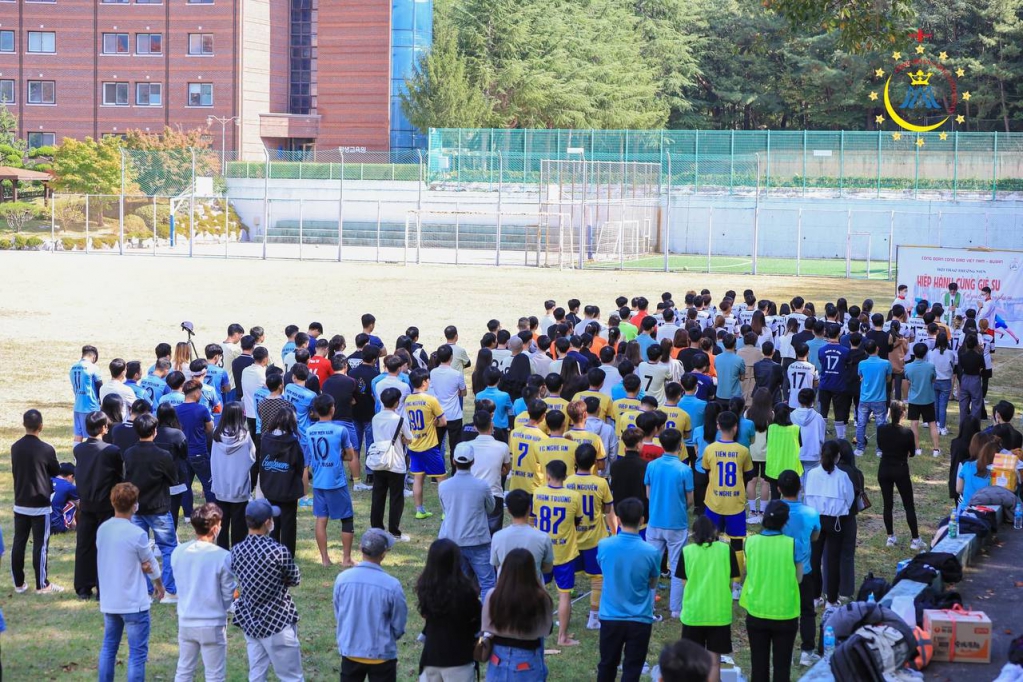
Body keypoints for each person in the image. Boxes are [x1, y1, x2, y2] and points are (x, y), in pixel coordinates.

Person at [97, 483, 165, 682]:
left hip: (111, 599)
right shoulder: (137, 534)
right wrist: (159, 584)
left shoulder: (103, 529)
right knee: (137, 655)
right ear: (135, 505)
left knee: (109, 648)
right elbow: (150, 563)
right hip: (134, 603)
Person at [231, 499, 304, 682]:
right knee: (291, 676)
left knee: (256, 674)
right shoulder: (278, 551)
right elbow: (295, 579)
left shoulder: (236, 550)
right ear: (267, 522)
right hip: (276, 620)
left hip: (249, 619)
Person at [595, 497, 660, 682]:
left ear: (619, 520)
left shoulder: (604, 545)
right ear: (642, 520)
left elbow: (604, 569)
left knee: (607, 665)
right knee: (633, 668)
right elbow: (653, 583)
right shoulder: (651, 551)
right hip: (640, 618)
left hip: (610, 616)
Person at [171, 503, 237, 682]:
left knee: (184, 670)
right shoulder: (222, 556)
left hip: (186, 619)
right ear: (215, 528)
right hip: (212, 622)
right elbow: (227, 595)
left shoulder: (178, 552)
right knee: (215, 674)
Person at [333, 528, 408, 682]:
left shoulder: (342, 579)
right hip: (381, 654)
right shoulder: (392, 585)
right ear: (384, 554)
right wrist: (392, 636)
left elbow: (339, 612)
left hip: (351, 651)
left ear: (360, 548)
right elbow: (399, 621)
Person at [739, 501, 801, 682]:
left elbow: (748, 570)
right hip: (785, 613)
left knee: (758, 667)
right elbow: (799, 578)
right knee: (782, 668)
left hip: (757, 610)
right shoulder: (792, 544)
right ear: (786, 521)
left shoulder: (750, 542)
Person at [123, 412, 180, 603]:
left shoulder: (129, 453)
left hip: (137, 508)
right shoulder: (163, 455)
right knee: (169, 548)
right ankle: (169, 590)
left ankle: (146, 590)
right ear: (155, 432)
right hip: (159, 507)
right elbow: (173, 479)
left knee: (140, 549)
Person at [701, 411, 753, 599]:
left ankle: (713, 578)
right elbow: (748, 473)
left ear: (717, 426)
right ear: (736, 428)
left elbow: (706, 469)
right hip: (735, 503)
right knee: (737, 543)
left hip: (714, 501)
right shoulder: (743, 451)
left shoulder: (710, 449)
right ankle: (736, 585)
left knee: (710, 541)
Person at [643, 428, 694, 620]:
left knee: (651, 566)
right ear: (680, 445)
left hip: (655, 521)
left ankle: (647, 606)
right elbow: (690, 499)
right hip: (677, 524)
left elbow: (648, 494)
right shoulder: (684, 469)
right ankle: (675, 608)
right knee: (676, 567)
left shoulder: (653, 466)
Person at [9, 409, 61, 594]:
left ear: (24, 425)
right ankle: (42, 584)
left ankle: (19, 583)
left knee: (19, 542)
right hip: (40, 504)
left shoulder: (15, 447)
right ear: (41, 426)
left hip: (21, 501)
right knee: (41, 545)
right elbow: (55, 471)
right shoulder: (46, 449)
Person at [567, 443, 618, 631]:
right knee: (597, 578)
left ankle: (565, 614)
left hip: (572, 539)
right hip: (594, 539)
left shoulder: (567, 481)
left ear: (575, 460)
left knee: (567, 578)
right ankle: (594, 618)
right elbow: (607, 509)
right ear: (595, 462)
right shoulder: (601, 483)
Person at [73, 411, 124, 599]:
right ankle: (104, 588)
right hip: (105, 504)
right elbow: (119, 476)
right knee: (106, 547)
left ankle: (83, 587)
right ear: (104, 428)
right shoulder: (111, 451)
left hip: (86, 503)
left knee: (84, 545)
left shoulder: (79, 449)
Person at [482, 547, 554, 680]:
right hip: (527, 658)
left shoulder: (493, 595)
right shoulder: (541, 598)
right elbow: (546, 630)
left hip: (497, 658)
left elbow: (486, 626)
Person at [415, 539, 481, 682]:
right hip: (459, 658)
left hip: (431, 657)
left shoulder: (425, 588)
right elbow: (476, 622)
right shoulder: (467, 591)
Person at [438, 444, 497, 599]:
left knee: (459, 583)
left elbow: (445, 509)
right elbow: (491, 508)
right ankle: (485, 620)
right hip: (478, 542)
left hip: (453, 540)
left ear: (454, 461)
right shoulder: (482, 486)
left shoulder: (444, 486)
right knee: (488, 584)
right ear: (473, 462)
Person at [678, 515, 739, 659]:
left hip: (693, 613)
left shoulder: (687, 552)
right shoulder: (726, 549)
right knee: (714, 661)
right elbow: (733, 578)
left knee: (692, 661)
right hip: (719, 613)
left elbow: (683, 582)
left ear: (694, 533)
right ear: (715, 531)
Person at [307, 394, 357, 566]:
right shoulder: (340, 430)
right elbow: (350, 456)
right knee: (347, 518)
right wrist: (338, 455)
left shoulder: (309, 430)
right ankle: (346, 559)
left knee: (321, 519)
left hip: (319, 481)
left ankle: (325, 559)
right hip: (336, 481)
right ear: (332, 409)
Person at [805, 440, 855, 610]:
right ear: (837, 457)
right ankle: (831, 600)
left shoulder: (811, 474)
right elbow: (850, 498)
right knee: (833, 561)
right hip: (835, 521)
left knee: (814, 559)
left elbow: (807, 497)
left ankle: (814, 596)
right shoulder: (842, 476)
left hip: (815, 519)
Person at [258, 408, 306, 557]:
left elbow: (261, 463)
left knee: (273, 522)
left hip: (270, 486)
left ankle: (273, 552)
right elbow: (300, 465)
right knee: (288, 524)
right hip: (288, 488)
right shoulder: (293, 442)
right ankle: (287, 554)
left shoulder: (265, 439)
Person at [876, 402, 924, 550]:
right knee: (908, 505)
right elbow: (912, 452)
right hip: (900, 469)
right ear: (903, 414)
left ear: (890, 413)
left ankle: (890, 537)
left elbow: (881, 446)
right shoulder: (907, 433)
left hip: (884, 468)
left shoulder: (881, 429)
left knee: (887, 504)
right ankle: (915, 539)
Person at [210, 402, 257, 549]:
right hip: (240, 487)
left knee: (221, 525)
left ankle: (222, 553)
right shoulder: (245, 436)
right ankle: (238, 554)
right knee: (239, 526)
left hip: (221, 486)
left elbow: (213, 458)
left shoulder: (216, 434)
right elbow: (252, 457)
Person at [370, 387, 413, 542]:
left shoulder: (375, 418)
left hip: (379, 460)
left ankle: (376, 528)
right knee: (396, 498)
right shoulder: (399, 419)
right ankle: (394, 531)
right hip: (396, 462)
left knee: (378, 497)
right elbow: (409, 438)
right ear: (396, 403)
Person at [406, 368, 448, 519]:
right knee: (441, 478)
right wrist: (434, 423)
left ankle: (419, 510)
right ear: (424, 382)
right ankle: (445, 511)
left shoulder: (407, 399)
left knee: (418, 478)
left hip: (414, 445)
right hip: (429, 446)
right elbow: (443, 422)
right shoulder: (431, 400)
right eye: (428, 380)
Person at [461, 411, 512, 534]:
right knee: (493, 535)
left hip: (471, 494)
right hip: (494, 494)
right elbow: (506, 469)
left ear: (475, 427)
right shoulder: (503, 447)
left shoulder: (466, 446)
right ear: (492, 425)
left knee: (471, 532)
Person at [490, 489, 554, 582]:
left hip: (506, 591)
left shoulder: (497, 537)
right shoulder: (543, 537)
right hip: (534, 590)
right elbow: (548, 568)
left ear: (508, 510)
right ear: (529, 509)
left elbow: (497, 565)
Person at [176, 379, 216, 508]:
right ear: (196, 393)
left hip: (183, 453)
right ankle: (211, 511)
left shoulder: (176, 410)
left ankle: (188, 514)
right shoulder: (202, 409)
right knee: (209, 484)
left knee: (186, 485)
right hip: (199, 452)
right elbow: (210, 428)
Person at [155, 403, 190, 528]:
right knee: (173, 512)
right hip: (175, 479)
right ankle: (171, 538)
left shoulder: (153, 432)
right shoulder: (177, 434)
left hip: (156, 479)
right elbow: (185, 454)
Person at [855, 340, 892, 456]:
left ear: (865, 351)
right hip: (879, 398)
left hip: (864, 398)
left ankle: (860, 448)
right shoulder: (886, 363)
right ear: (877, 348)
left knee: (861, 424)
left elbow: (860, 376)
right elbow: (889, 379)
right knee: (881, 425)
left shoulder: (862, 363)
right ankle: (880, 450)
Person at [904, 342, 940, 457]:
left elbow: (908, 379)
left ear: (914, 353)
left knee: (914, 424)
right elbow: (934, 379)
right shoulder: (930, 366)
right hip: (928, 399)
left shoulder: (908, 366)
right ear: (925, 354)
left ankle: (917, 448)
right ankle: (936, 449)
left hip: (914, 399)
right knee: (932, 424)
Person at [71, 345, 103, 443]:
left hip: (77, 405)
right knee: (95, 434)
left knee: (78, 434)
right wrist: (100, 402)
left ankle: (76, 458)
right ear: (93, 356)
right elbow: (99, 386)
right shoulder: (93, 368)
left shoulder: (73, 367)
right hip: (91, 406)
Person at [957, 439, 1000, 510]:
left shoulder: (967, 465)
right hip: (985, 511)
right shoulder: (996, 473)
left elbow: (958, 489)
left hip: (965, 509)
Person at [928, 332, 956, 436]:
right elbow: (953, 365)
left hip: (934, 380)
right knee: (943, 405)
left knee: (935, 404)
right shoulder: (950, 353)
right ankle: (942, 427)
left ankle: (937, 424)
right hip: (945, 380)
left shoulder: (931, 352)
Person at [49, 462, 79, 533]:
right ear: (70, 476)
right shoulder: (69, 486)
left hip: (39, 524)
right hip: (56, 527)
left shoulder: (47, 480)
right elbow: (81, 505)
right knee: (74, 501)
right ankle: (75, 526)